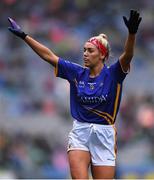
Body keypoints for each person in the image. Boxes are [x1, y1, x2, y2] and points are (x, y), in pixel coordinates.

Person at [8, 10, 142, 179]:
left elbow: (128, 55)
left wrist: (131, 34)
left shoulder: (114, 74)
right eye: (84, 50)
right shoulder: (76, 72)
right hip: (80, 132)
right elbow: (48, 55)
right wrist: (24, 36)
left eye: (90, 51)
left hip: (104, 135)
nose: (85, 54)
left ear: (102, 55)